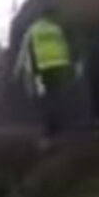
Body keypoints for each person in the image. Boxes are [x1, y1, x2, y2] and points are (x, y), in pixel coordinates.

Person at [22, 8, 73, 139]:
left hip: (42, 68)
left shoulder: (34, 29)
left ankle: (50, 125)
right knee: (57, 95)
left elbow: (29, 50)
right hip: (58, 66)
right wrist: (67, 65)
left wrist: (32, 69)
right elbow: (64, 47)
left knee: (45, 97)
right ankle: (59, 123)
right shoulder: (56, 29)